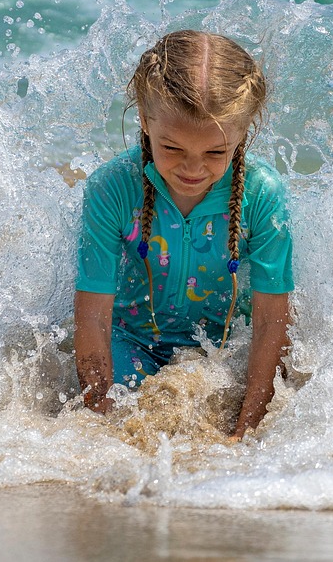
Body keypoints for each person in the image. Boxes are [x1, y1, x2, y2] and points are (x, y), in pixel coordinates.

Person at [73, 30, 294, 439]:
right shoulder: (113, 189)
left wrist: (245, 431)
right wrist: (98, 423)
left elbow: (269, 322)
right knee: (125, 425)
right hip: (132, 339)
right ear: (144, 118)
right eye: (172, 148)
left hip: (228, 346)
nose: (193, 169)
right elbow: (93, 316)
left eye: (215, 152)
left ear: (243, 131)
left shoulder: (261, 194)